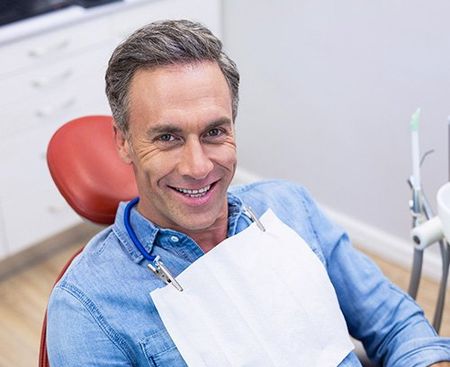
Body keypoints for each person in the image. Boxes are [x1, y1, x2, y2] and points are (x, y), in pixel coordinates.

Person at [46, 19, 450, 366]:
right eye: (167, 137)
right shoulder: (87, 306)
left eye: (214, 132)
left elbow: (395, 322)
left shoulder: (290, 207)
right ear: (123, 142)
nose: (198, 166)